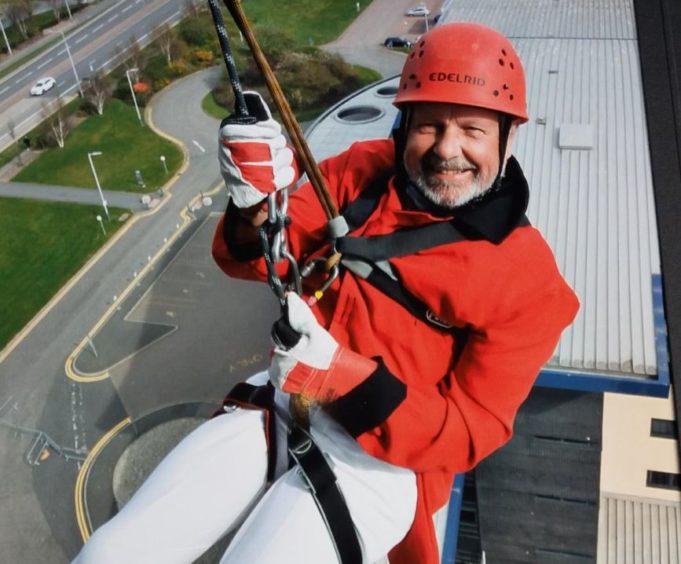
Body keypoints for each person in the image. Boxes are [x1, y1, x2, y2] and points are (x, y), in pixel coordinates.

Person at [73, 22, 579, 564]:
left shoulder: (530, 284)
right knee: (114, 552)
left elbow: (468, 432)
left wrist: (342, 378)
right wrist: (255, 203)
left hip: (380, 464)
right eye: (429, 126)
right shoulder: (361, 176)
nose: (447, 150)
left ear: (508, 136)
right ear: (404, 124)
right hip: (286, 403)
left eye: (472, 130)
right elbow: (259, 252)